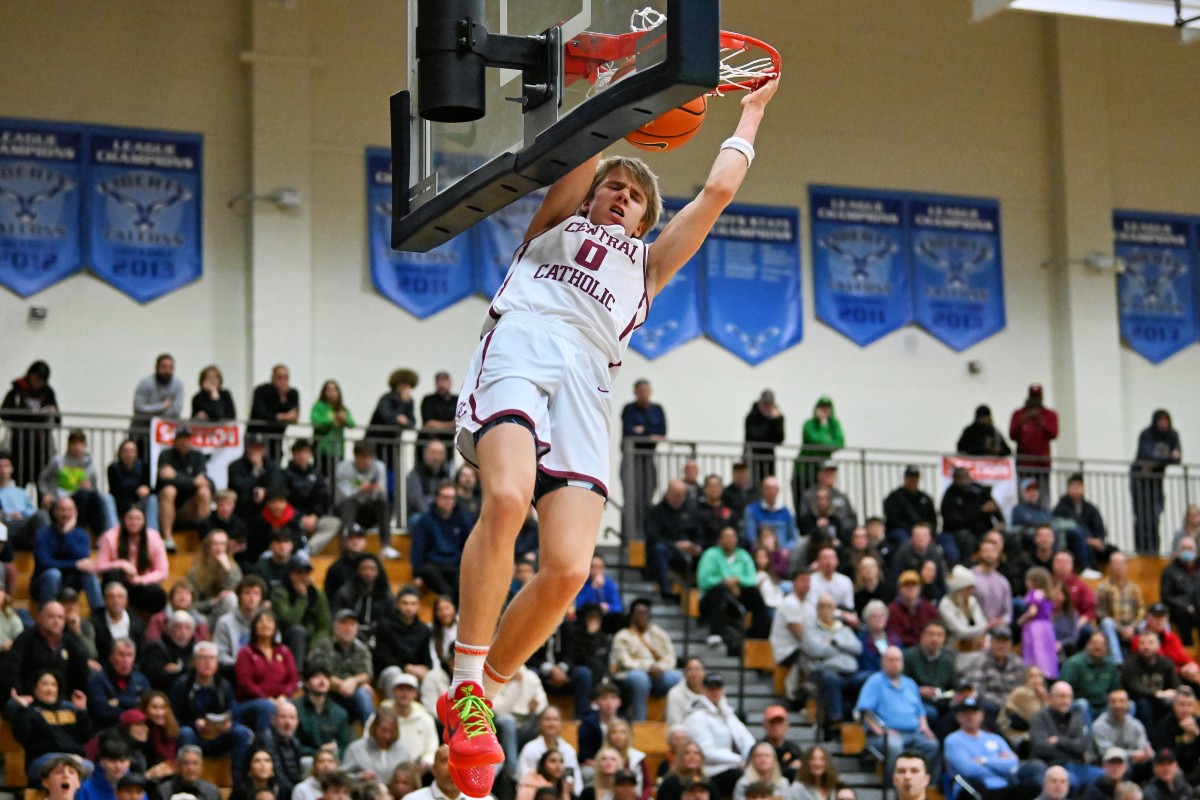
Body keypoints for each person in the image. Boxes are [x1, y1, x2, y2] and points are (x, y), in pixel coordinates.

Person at [439, 79, 777, 797]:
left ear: (647, 217)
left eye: (634, 195)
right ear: (591, 194)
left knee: (567, 569)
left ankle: (486, 695)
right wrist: (604, 82)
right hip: (524, 345)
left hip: (589, 382)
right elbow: (580, 146)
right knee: (506, 497)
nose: (620, 195)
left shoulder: (648, 265)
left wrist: (750, 113)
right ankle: (464, 678)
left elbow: (714, 194)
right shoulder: (555, 224)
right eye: (612, 185)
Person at [853, 646, 941, 785]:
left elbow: (921, 712)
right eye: (891, 660)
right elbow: (864, 712)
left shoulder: (910, 683)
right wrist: (882, 732)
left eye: (898, 660)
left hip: (913, 732)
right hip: (885, 735)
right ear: (883, 662)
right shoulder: (874, 682)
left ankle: (926, 786)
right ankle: (893, 787)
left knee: (932, 745)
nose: (895, 663)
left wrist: (925, 728)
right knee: (894, 745)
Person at [171, 641, 253, 781]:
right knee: (185, 732)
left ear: (217, 662)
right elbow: (174, 718)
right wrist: (194, 724)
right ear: (194, 662)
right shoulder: (182, 685)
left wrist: (229, 725)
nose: (207, 663)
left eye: (211, 658)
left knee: (242, 732)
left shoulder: (224, 685)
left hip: (219, 736)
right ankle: (184, 780)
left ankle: (239, 782)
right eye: (203, 658)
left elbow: (235, 713)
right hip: (195, 736)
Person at [943, 696, 1044, 800]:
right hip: (973, 789)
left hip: (1002, 787)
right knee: (975, 789)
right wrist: (1000, 764)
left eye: (974, 713)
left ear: (981, 715)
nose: (970, 717)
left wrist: (984, 760)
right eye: (966, 713)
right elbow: (968, 770)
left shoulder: (994, 738)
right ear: (958, 717)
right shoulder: (953, 740)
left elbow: (1013, 764)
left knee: (1034, 786)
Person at [3, 669, 91, 783]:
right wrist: (23, 710)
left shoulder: (70, 709)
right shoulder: (30, 711)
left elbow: (85, 736)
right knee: (62, 769)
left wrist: (82, 710)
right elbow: (22, 736)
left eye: (54, 685)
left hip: (74, 758)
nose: (50, 689)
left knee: (92, 769)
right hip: (43, 760)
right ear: (35, 688)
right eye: (44, 684)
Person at [682, 673, 756, 800]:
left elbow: (747, 739)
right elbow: (707, 752)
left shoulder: (728, 713)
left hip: (735, 765)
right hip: (711, 771)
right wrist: (739, 760)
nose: (715, 691)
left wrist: (752, 756)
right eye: (711, 688)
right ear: (703, 689)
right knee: (741, 777)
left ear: (723, 689)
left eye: (718, 687)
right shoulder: (697, 717)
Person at [696, 526, 770, 653]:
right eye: (727, 537)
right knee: (719, 589)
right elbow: (704, 580)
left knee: (754, 593)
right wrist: (725, 582)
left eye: (733, 536)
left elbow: (752, 579)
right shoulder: (710, 554)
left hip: (736, 596)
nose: (730, 540)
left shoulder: (743, 555)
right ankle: (715, 633)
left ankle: (757, 635)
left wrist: (737, 581)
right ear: (720, 540)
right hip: (710, 600)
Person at [609, 599, 682, 721]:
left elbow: (670, 657)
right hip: (631, 674)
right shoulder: (623, 635)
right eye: (639, 613)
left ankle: (672, 720)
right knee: (640, 679)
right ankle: (640, 720)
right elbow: (624, 661)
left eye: (645, 613)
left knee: (679, 677)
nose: (642, 616)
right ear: (632, 616)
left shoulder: (659, 633)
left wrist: (659, 667)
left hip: (658, 673)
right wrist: (647, 667)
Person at [1, 601, 89, 696]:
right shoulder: (26, 639)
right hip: (29, 698)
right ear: (40, 618)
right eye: (51, 617)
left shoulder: (70, 642)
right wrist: (19, 695)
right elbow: (11, 671)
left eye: (60, 617)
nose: (56, 621)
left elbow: (81, 673)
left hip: (61, 701)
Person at [802, 594, 863, 729]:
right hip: (824, 672)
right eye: (822, 606)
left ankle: (863, 716)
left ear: (834, 609)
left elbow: (858, 648)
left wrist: (835, 643)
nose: (826, 609)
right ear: (817, 609)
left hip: (849, 673)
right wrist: (844, 649)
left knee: (869, 678)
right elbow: (815, 650)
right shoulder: (810, 629)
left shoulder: (845, 629)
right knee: (830, 678)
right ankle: (836, 720)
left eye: (829, 606)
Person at [1029, 681, 1103, 791]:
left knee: (1105, 777)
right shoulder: (1040, 718)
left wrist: (1058, 741)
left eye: (1069, 697)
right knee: (1070, 781)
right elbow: (1041, 748)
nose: (1066, 701)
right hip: (1054, 766)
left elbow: (1083, 746)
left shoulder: (1077, 716)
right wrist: (1072, 748)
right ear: (1051, 698)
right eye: (1061, 696)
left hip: (1078, 765)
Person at [234, 608, 299, 733]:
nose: (265, 624)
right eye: (260, 621)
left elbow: (293, 680)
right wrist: (267, 698)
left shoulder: (284, 651)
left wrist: (283, 697)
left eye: (269, 621)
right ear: (254, 627)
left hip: (281, 700)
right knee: (267, 707)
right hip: (251, 703)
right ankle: (264, 746)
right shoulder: (245, 653)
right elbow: (245, 684)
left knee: (294, 707)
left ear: (275, 627)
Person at [96, 505, 169, 614]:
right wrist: (121, 564)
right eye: (130, 518)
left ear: (144, 521)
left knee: (158, 594)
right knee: (112, 574)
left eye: (138, 519)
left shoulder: (153, 537)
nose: (134, 522)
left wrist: (141, 580)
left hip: (141, 584)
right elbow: (99, 566)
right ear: (124, 520)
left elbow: (162, 571)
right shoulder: (110, 536)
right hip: (119, 583)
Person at [32, 496, 103, 608]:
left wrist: (67, 534)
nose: (66, 514)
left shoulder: (81, 534)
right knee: (53, 574)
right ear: (55, 512)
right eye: (62, 509)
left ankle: (99, 615)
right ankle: (47, 615)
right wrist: (74, 564)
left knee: (90, 574)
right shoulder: (43, 534)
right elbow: (44, 563)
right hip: (44, 583)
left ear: (76, 512)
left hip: (71, 582)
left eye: (70, 510)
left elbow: (82, 559)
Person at [38, 428, 111, 536]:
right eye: (74, 444)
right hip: (59, 499)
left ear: (84, 445)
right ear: (69, 445)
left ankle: (102, 537)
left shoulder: (90, 468)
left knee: (96, 498)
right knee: (83, 495)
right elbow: (43, 479)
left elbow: (94, 491)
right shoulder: (58, 461)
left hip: (82, 501)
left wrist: (89, 489)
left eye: (80, 444)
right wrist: (46, 494)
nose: (77, 447)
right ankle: (74, 533)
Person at [2, 360, 60, 491]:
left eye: (41, 380)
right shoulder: (17, 390)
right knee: (20, 482)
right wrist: (27, 414)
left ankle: (41, 510)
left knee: (42, 483)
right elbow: (5, 413)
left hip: (41, 448)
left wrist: (52, 412)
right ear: (30, 375)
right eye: (36, 378)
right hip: (21, 446)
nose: (38, 383)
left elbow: (58, 420)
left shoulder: (47, 393)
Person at [411, 481, 472, 600]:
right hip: (434, 565)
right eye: (445, 497)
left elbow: (469, 546)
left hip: (456, 564)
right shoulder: (425, 520)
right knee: (429, 573)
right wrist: (416, 574)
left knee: (464, 580)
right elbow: (418, 548)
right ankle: (450, 602)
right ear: (437, 498)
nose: (448, 501)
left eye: (451, 497)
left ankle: (452, 606)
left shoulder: (463, 518)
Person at [620, 379, 666, 538]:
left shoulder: (657, 409)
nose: (643, 394)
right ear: (635, 393)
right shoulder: (629, 409)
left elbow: (662, 432)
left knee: (648, 495)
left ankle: (646, 534)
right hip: (631, 459)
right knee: (633, 498)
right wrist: (649, 434)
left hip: (648, 457)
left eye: (646, 391)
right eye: (640, 391)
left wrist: (642, 431)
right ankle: (631, 535)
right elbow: (629, 431)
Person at [336, 441, 397, 560]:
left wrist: (376, 491)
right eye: (363, 458)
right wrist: (360, 490)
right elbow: (344, 495)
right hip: (347, 509)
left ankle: (386, 546)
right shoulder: (344, 467)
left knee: (383, 504)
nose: (366, 461)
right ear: (356, 457)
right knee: (349, 505)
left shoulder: (379, 467)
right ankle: (346, 545)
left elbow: (381, 493)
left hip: (368, 510)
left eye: (369, 458)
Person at [1131, 409, 1181, 554]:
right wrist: (1168, 457)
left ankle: (1154, 550)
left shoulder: (1173, 435)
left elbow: (1178, 458)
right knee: (1142, 517)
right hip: (1140, 480)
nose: (1163, 423)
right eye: (1160, 420)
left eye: (1166, 420)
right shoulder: (1146, 434)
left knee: (1155, 516)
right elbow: (1147, 456)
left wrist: (1159, 461)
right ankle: (1141, 550)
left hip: (1156, 481)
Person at [645, 479, 703, 603]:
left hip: (688, 552)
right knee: (658, 550)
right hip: (667, 551)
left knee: (709, 552)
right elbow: (653, 536)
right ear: (668, 493)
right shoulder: (655, 512)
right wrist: (675, 545)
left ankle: (698, 593)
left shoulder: (691, 512)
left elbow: (699, 533)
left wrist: (696, 546)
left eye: (681, 496)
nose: (678, 499)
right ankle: (666, 591)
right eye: (675, 495)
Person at [155, 426, 213, 549]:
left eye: (187, 439)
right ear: (175, 441)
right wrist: (192, 481)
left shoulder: (198, 456)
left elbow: (203, 482)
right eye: (180, 438)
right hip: (168, 506)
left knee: (204, 492)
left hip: (189, 507)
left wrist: (175, 476)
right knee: (169, 491)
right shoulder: (165, 455)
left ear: (191, 441)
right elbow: (164, 481)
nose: (184, 442)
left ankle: (205, 539)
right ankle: (167, 538)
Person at [283, 439, 342, 555]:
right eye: (299, 453)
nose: (302, 456)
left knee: (334, 523)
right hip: (293, 518)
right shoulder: (285, 474)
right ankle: (295, 549)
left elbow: (323, 497)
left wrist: (315, 515)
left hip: (314, 518)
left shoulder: (316, 474)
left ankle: (308, 550)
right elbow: (284, 501)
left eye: (305, 452)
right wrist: (299, 516)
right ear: (293, 454)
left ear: (310, 454)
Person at [272, 556, 331, 669]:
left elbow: (324, 626)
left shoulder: (317, 595)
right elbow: (290, 621)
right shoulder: (279, 592)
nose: (303, 578)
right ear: (290, 575)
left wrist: (315, 645)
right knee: (298, 632)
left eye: (307, 573)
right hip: (286, 638)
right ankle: (296, 675)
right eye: (299, 573)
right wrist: (302, 598)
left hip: (312, 638)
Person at [964, 626, 1025, 729]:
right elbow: (977, 690)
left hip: (1013, 705)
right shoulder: (980, 661)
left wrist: (1013, 704)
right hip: (991, 703)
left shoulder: (1017, 662)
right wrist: (1004, 705)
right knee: (988, 707)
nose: (1001, 646)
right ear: (991, 642)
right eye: (998, 641)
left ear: (1010, 644)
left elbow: (1022, 687)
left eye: (1005, 642)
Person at [86, 637, 150, 728]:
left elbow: (147, 708)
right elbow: (103, 712)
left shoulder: (141, 680)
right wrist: (135, 702)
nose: (126, 660)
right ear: (111, 656)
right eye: (121, 655)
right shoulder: (97, 680)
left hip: (137, 730)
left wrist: (119, 701)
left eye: (130, 655)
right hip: (109, 731)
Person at [1090, 689, 1153, 783]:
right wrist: (1133, 755)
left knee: (1155, 765)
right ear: (1108, 705)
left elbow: (1143, 745)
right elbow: (1106, 752)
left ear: (1128, 704)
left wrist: (1147, 752)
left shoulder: (1136, 724)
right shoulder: (1099, 726)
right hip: (1106, 766)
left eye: (1121, 701)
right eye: (1113, 701)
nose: (1117, 705)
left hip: (1132, 766)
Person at [295, 662, 353, 759]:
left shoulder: (339, 713)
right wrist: (318, 752)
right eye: (316, 677)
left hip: (331, 760)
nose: (322, 681)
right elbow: (292, 744)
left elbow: (344, 746)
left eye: (326, 677)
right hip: (306, 758)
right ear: (306, 683)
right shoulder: (295, 708)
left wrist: (334, 754)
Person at [1061, 631, 1121, 724]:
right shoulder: (1074, 663)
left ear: (1106, 648)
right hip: (1082, 703)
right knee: (1082, 704)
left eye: (1102, 644)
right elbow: (1063, 688)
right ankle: (1088, 737)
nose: (1098, 647)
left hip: (1103, 704)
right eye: (1094, 643)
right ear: (1087, 645)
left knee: (1128, 705)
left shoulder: (1110, 664)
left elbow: (1116, 689)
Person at [1123, 629, 1179, 729]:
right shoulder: (1130, 663)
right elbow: (1134, 688)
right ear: (1138, 646)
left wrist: (1172, 693)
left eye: (1150, 642)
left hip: (1162, 701)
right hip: (1139, 702)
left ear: (1158, 645)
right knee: (1144, 704)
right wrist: (1157, 693)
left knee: (1175, 703)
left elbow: (1176, 686)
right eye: (1143, 643)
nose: (1146, 646)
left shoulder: (1166, 663)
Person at [132, 353, 184, 448]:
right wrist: (162, 406)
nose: (167, 371)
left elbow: (176, 410)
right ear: (156, 367)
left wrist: (152, 411)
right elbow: (138, 408)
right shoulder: (145, 383)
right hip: (143, 432)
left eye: (170, 368)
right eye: (163, 367)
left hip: (166, 433)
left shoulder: (178, 385)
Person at [248, 364, 300, 461]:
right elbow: (260, 413)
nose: (283, 381)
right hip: (259, 435)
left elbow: (294, 416)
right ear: (272, 377)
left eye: (286, 378)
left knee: (275, 462)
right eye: (279, 377)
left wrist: (283, 398)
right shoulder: (261, 390)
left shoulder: (292, 393)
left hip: (277, 437)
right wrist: (283, 416)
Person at [1150, 686, 1200, 783]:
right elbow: (1164, 755)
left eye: (1189, 705)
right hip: (1172, 768)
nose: (1185, 709)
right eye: (1181, 704)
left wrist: (1197, 734)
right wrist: (1184, 741)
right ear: (1174, 706)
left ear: (1194, 706)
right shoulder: (1165, 724)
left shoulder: (1198, 722)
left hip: (1194, 767)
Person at [881, 466, 937, 551]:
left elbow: (932, 519)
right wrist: (913, 530)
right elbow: (893, 520)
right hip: (901, 531)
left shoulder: (925, 498)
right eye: (910, 478)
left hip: (922, 531)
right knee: (904, 541)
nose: (913, 481)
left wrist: (927, 529)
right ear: (905, 479)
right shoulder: (895, 497)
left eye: (915, 478)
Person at [1009, 384, 1058, 480]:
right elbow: (1012, 435)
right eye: (1033, 397)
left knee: (1043, 494)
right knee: (1024, 493)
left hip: (1042, 464)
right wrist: (1024, 418)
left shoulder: (1050, 414)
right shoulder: (1018, 414)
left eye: (1037, 397)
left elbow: (1053, 434)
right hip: (1024, 464)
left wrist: (1039, 420)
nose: (1035, 400)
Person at [91, 582, 147, 662]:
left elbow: (142, 652)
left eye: (120, 596)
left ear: (126, 600)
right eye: (111, 597)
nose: (116, 601)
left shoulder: (137, 623)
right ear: (105, 600)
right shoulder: (95, 622)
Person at [1018, 566, 1057, 678]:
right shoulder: (1047, 595)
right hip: (1047, 627)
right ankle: (1047, 672)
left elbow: (1033, 611)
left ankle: (1035, 673)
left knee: (1035, 651)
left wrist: (1021, 620)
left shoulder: (1035, 593)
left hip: (1035, 627)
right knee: (1046, 652)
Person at [1160, 537, 1200, 645]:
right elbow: (1165, 597)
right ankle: (1188, 648)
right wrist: (1185, 605)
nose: (1188, 552)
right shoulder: (1169, 571)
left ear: (1196, 552)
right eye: (1184, 549)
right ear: (1178, 551)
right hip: (1179, 610)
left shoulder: (1198, 570)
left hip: (1197, 608)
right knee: (1184, 615)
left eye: (1190, 549)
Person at [311, 379, 355, 478]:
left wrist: (344, 419)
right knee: (321, 477)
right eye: (329, 390)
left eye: (335, 390)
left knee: (337, 478)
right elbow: (315, 421)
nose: (332, 393)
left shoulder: (342, 408)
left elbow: (352, 424)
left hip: (338, 450)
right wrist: (332, 421)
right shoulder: (319, 406)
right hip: (322, 449)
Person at [886, 570, 938, 648]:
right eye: (906, 585)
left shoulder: (928, 608)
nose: (910, 589)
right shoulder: (892, 610)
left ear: (919, 588)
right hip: (902, 649)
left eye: (913, 585)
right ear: (900, 589)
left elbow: (937, 629)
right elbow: (894, 636)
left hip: (926, 649)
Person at [744, 390, 784, 485]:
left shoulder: (776, 418)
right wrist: (767, 421)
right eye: (765, 404)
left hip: (769, 458)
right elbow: (753, 436)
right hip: (753, 457)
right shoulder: (751, 417)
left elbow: (779, 439)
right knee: (754, 485)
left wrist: (776, 420)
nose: (767, 407)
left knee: (768, 483)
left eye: (770, 404)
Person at [575, 555, 624, 632]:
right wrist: (593, 588)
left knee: (619, 618)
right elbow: (579, 605)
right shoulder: (583, 584)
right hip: (586, 618)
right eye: (593, 567)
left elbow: (618, 607)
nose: (596, 571)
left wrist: (608, 607)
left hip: (606, 618)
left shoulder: (610, 585)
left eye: (599, 567)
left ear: (604, 569)